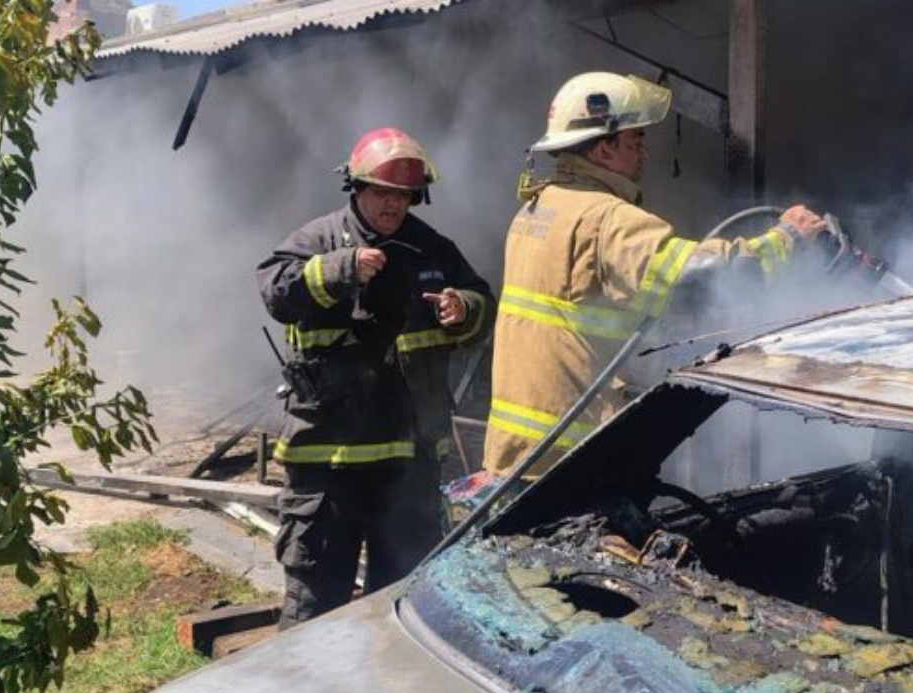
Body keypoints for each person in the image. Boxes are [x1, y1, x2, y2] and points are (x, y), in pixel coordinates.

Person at [483, 72, 826, 480]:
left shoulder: (538, 209)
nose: (645, 152)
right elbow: (701, 280)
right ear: (604, 148)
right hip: (569, 462)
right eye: (636, 140)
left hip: (516, 454)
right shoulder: (607, 219)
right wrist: (787, 240)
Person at [256, 127, 495, 628]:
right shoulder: (317, 240)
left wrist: (463, 307)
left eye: (404, 196)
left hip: (409, 467)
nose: (393, 205)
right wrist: (341, 270)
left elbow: (482, 303)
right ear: (357, 189)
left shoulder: (433, 249)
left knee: (404, 609)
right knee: (315, 611)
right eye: (383, 193)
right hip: (327, 465)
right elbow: (276, 292)